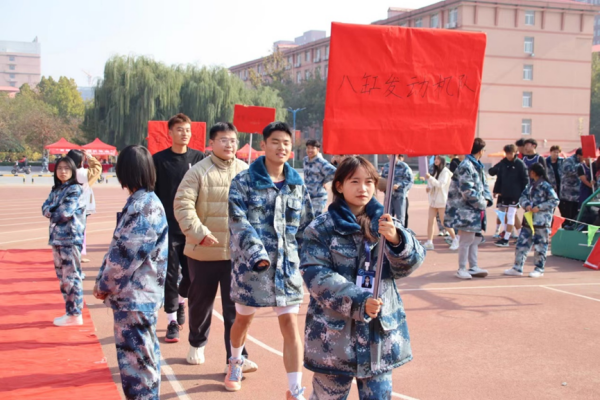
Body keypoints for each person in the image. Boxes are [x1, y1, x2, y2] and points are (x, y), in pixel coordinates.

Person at [300, 156, 425, 400]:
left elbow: (410, 264)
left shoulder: (387, 223)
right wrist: (358, 300)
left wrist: (398, 241)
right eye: (354, 181)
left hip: (378, 336)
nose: (363, 188)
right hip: (333, 338)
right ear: (339, 186)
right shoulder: (321, 228)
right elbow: (316, 275)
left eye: (369, 182)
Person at [227, 122, 314, 399]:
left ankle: (294, 389)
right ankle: (235, 361)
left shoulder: (297, 184)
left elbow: (306, 226)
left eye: (286, 143)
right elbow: (238, 223)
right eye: (275, 142)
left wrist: (314, 262)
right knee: (243, 321)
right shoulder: (243, 182)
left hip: (286, 271)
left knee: (290, 326)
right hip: (252, 270)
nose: (282, 148)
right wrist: (256, 255)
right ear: (263, 145)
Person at [174, 122, 258, 372]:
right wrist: (199, 232)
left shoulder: (247, 172)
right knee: (201, 303)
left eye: (233, 140)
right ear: (211, 143)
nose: (229, 144)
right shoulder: (198, 172)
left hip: (236, 254)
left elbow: (257, 209)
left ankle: (236, 356)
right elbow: (183, 204)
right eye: (223, 140)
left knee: (236, 309)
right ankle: (197, 343)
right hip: (203, 252)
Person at [93, 145, 167, 400]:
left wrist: (103, 284)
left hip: (135, 298)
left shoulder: (143, 207)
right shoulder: (144, 203)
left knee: (138, 367)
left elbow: (125, 255)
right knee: (143, 360)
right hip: (140, 295)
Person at [153, 113, 205, 343]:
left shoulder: (199, 158)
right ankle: (172, 320)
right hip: (168, 227)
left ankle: (181, 300)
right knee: (170, 274)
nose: (184, 133)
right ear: (170, 133)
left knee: (193, 276)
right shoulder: (158, 160)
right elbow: (152, 194)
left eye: (187, 129)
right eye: (180, 129)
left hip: (193, 227)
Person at [42, 157, 85, 327]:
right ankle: (70, 312)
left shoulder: (75, 190)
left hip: (70, 238)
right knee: (62, 277)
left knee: (72, 277)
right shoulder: (56, 190)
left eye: (67, 168)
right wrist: (52, 210)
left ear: (73, 171)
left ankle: (75, 313)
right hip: (57, 239)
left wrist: (51, 210)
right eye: (60, 168)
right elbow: (44, 207)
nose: (63, 171)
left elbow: (65, 213)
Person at [445, 138, 493, 280]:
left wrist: (487, 200)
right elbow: (467, 190)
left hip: (476, 210)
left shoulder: (477, 165)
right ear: (480, 151)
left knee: (475, 239)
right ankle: (461, 268)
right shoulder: (466, 165)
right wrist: (482, 202)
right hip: (465, 210)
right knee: (466, 240)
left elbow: (484, 186)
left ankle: (473, 266)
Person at [504, 163, 559, 278]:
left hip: (541, 221)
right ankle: (517, 267)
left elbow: (554, 201)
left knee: (540, 246)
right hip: (528, 220)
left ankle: (539, 268)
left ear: (534, 172)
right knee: (521, 244)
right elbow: (522, 197)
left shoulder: (546, 186)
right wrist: (527, 205)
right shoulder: (530, 185)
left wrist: (540, 207)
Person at [66, 149, 102, 264]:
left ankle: (68, 253)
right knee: (80, 231)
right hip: (81, 206)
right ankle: (77, 254)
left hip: (67, 205)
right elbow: (97, 168)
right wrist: (90, 157)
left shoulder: (65, 172)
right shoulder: (84, 173)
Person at [488, 144, 528, 247]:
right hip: (504, 193)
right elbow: (497, 176)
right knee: (512, 215)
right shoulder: (503, 163)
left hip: (516, 194)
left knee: (510, 215)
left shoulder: (520, 164)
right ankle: (521, 236)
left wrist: (524, 194)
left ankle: (506, 239)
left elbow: (525, 180)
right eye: (507, 153)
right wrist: (496, 190)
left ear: (515, 153)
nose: (508, 155)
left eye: (510, 153)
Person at [424, 156, 458, 250]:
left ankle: (455, 239)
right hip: (433, 201)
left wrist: (430, 178)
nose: (436, 161)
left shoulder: (445, 172)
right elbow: (432, 184)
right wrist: (429, 188)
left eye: (438, 159)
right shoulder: (435, 171)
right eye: (435, 159)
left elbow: (440, 184)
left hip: (442, 201)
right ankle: (429, 242)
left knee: (444, 222)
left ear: (442, 160)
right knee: (430, 221)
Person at [303, 139, 336, 216]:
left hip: (318, 198)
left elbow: (335, 172)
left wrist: (325, 181)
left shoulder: (321, 162)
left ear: (318, 149)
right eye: (308, 148)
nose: (310, 150)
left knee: (316, 220)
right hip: (307, 196)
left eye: (312, 148)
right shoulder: (305, 160)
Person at [380, 155, 413, 227]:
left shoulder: (404, 166)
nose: (389, 156)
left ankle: (400, 235)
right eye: (388, 154)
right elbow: (382, 179)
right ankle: (387, 236)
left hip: (399, 196)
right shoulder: (386, 166)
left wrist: (399, 185)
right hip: (388, 196)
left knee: (400, 217)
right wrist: (381, 185)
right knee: (387, 216)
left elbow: (410, 180)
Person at [559, 148, 583, 222]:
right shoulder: (569, 160)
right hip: (567, 194)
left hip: (577, 195)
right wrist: (581, 165)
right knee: (567, 216)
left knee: (575, 215)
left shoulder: (581, 162)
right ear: (579, 155)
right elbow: (568, 171)